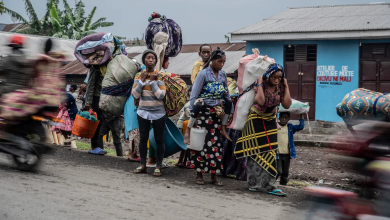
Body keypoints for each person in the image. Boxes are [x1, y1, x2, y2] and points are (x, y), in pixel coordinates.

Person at [234, 63, 292, 196]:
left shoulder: (281, 87)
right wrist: (260, 83)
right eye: (274, 77)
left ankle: (271, 185)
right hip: (256, 120)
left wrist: (286, 85)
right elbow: (260, 101)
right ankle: (253, 183)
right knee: (254, 153)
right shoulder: (260, 85)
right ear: (268, 75)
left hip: (270, 121)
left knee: (270, 152)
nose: (276, 80)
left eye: (279, 77)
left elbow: (287, 104)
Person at [188, 48, 233, 186]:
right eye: (219, 61)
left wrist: (229, 108)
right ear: (212, 60)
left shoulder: (223, 75)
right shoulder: (203, 74)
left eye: (223, 62)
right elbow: (194, 95)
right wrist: (192, 114)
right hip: (203, 114)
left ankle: (214, 176)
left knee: (215, 145)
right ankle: (199, 175)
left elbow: (226, 93)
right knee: (200, 143)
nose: (222, 64)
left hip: (216, 115)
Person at [132, 50, 167, 176]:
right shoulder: (138, 76)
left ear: (156, 61)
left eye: (153, 58)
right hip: (143, 112)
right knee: (143, 139)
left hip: (159, 113)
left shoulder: (161, 76)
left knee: (159, 139)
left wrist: (152, 82)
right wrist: (141, 81)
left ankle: (158, 166)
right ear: (144, 61)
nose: (150, 60)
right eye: (148, 58)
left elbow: (161, 96)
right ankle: (143, 165)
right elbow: (135, 94)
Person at [277, 112, 304, 186]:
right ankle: (272, 183)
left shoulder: (290, 127)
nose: (283, 119)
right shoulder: (276, 126)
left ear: (288, 119)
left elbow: (300, 127)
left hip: (287, 154)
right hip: (277, 154)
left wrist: (301, 116)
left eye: (285, 118)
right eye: (282, 117)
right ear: (279, 118)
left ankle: (283, 185)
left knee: (285, 172)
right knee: (278, 171)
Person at [175, 86, 192, 169]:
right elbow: (190, 116)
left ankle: (181, 161)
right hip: (184, 125)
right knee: (187, 144)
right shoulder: (190, 104)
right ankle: (184, 162)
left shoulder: (188, 103)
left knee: (185, 145)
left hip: (182, 125)